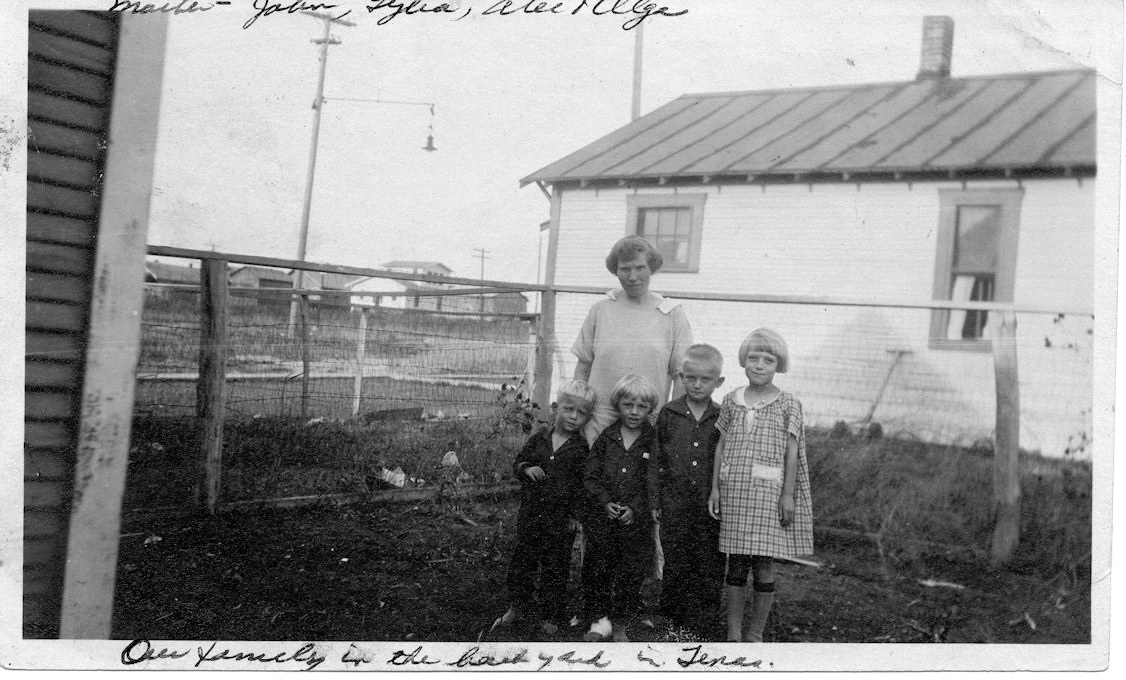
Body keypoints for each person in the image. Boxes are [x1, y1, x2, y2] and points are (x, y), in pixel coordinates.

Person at [707, 329, 814, 642]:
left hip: (768, 497)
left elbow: (793, 452)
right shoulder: (730, 400)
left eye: (768, 359)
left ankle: (756, 634)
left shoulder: (788, 404)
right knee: (736, 564)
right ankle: (734, 632)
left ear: (778, 365)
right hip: (735, 492)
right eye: (753, 357)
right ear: (743, 361)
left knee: (764, 564)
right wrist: (715, 488)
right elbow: (720, 447)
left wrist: (788, 496)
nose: (759, 364)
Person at [495, 380, 596, 636]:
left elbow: (583, 486)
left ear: (588, 417)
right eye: (568, 409)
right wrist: (527, 469)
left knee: (556, 566)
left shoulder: (581, 449)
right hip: (531, 515)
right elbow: (519, 462)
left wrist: (576, 514)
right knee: (523, 561)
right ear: (555, 407)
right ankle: (517, 606)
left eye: (581, 413)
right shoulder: (539, 438)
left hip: (560, 522)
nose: (574, 417)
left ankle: (551, 612)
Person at [572, 235, 694, 445]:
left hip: (647, 420)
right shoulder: (601, 310)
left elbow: (681, 376)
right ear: (615, 270)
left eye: (640, 268)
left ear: (652, 268)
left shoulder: (671, 314)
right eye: (625, 269)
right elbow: (583, 367)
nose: (632, 276)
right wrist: (579, 411)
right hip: (599, 419)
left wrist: (669, 421)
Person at [648, 344, 726, 627]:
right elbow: (656, 459)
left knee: (709, 557)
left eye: (706, 379)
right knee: (676, 555)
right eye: (690, 377)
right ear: (681, 376)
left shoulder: (722, 416)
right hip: (674, 501)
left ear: (719, 382)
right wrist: (655, 500)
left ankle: (706, 615)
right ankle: (672, 612)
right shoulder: (669, 413)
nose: (697, 384)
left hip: (708, 504)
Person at [581, 374, 658, 642]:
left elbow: (655, 480)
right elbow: (590, 476)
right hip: (605, 520)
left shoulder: (652, 439)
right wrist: (604, 502)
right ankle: (600, 620)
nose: (634, 412)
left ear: (650, 409)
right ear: (618, 406)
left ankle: (622, 622)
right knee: (599, 567)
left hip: (635, 524)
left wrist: (636, 508)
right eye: (628, 405)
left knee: (630, 572)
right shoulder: (607, 437)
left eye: (642, 407)